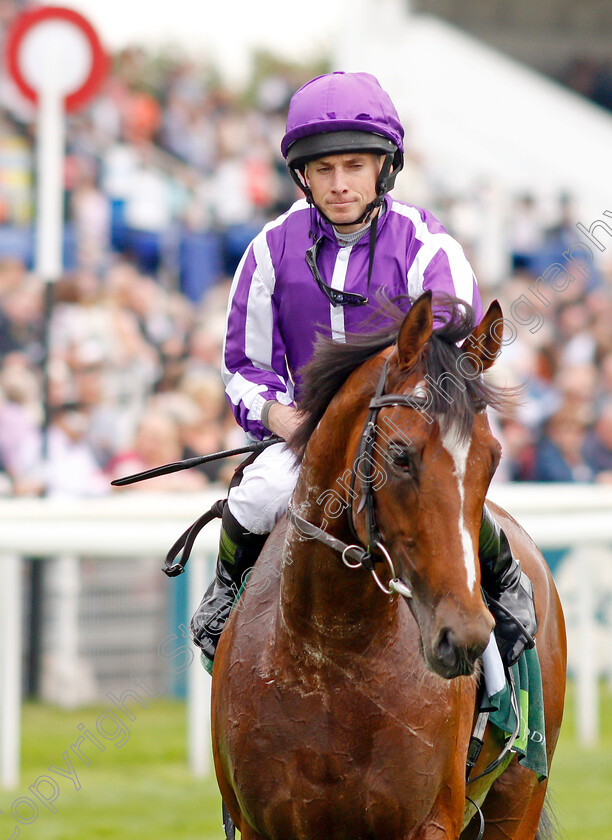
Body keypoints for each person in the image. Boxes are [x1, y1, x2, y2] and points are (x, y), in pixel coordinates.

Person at [191, 72, 537, 671]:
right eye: (323, 170)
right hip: (307, 441)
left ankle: (505, 601)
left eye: (354, 165)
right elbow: (243, 365)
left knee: (448, 497)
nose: (339, 184)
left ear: (384, 167)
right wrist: (281, 415)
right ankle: (226, 600)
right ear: (302, 176)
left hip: (408, 435)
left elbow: (454, 355)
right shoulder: (269, 250)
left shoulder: (429, 247)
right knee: (256, 495)